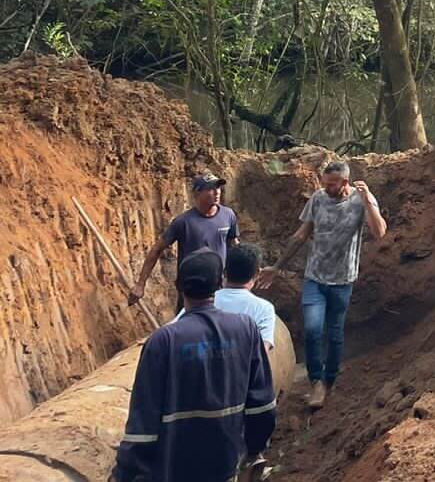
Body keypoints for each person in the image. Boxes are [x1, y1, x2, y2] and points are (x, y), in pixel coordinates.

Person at [114, 250, 276, 482]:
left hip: (173, 466)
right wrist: (254, 449)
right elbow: (261, 404)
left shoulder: (163, 340)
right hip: (225, 460)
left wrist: (125, 472)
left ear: (178, 285)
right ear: (219, 284)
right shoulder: (246, 328)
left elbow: (143, 421)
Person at [258, 160, 386, 411]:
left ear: (345, 183)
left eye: (332, 185)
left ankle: (329, 380)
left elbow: (379, 231)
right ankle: (316, 379)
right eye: (324, 183)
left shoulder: (361, 201)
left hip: (342, 280)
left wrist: (369, 200)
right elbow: (302, 234)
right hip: (314, 277)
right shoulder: (318, 199)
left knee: (335, 332)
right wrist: (277, 266)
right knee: (313, 329)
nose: (326, 188)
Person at [128, 173, 239, 309]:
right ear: (197, 193)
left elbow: (234, 246)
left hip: (218, 287)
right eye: (210, 188)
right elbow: (157, 250)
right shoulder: (183, 222)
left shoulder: (228, 215)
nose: (216, 192)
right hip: (190, 290)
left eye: (218, 188)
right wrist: (140, 284)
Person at [168, 243, 277, 349]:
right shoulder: (264, 309)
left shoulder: (205, 299)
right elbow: (263, 352)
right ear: (257, 273)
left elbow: (171, 329)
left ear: (224, 272)